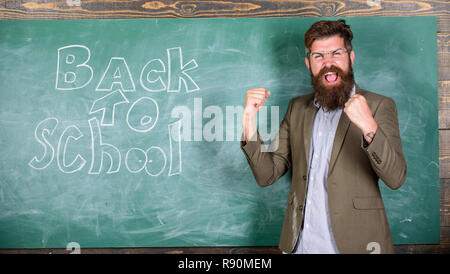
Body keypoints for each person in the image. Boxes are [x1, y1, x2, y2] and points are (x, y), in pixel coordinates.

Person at [240, 19, 407, 254]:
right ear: (309, 64)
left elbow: (396, 178)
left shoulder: (379, 105)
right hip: (300, 245)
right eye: (319, 56)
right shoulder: (297, 108)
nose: (328, 62)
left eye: (336, 53)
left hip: (357, 245)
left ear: (351, 57)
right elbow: (267, 175)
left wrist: (368, 124)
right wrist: (248, 119)